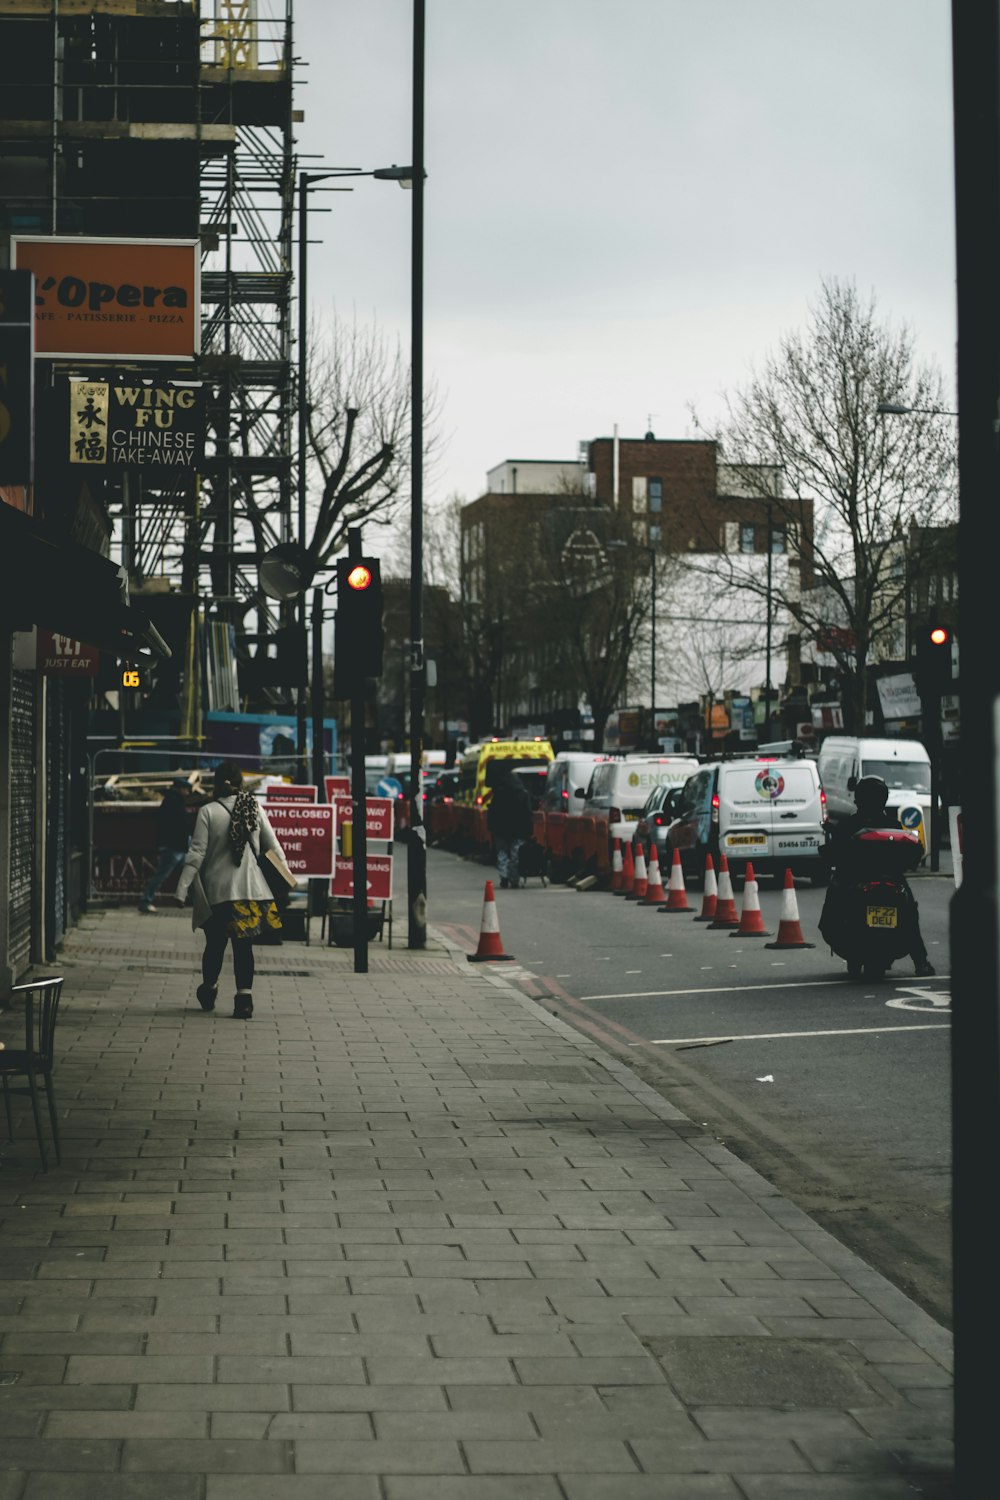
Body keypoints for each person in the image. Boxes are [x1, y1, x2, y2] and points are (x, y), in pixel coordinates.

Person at [175, 761, 287, 1019]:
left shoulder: (208, 812)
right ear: (241, 782)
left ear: (217, 784)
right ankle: (244, 1000)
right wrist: (287, 877)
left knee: (214, 945)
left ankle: (209, 988)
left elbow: (196, 854)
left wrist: (182, 890)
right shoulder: (254, 808)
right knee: (243, 946)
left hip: (218, 893)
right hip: (250, 891)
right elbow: (275, 848)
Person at [821, 774, 934, 976]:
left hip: (855, 879)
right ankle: (921, 961)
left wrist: (828, 851)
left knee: (836, 902)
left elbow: (833, 854)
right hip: (890, 879)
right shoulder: (894, 825)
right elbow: (912, 855)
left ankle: (920, 960)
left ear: (858, 799)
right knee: (909, 912)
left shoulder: (848, 825)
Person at [138, 779, 192, 913]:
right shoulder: (174, 802)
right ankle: (145, 901)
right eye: (186, 789)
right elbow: (179, 824)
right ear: (179, 789)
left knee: (188, 874)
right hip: (173, 847)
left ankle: (192, 899)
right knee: (162, 875)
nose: (188, 792)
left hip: (176, 847)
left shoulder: (172, 801)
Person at [487, 762, 533, 889]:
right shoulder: (523, 794)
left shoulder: (498, 794)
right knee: (515, 855)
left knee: (502, 853)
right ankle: (514, 879)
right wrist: (529, 829)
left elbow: (492, 812)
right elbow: (527, 813)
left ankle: (504, 877)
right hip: (519, 830)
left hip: (500, 829)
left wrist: (491, 827)